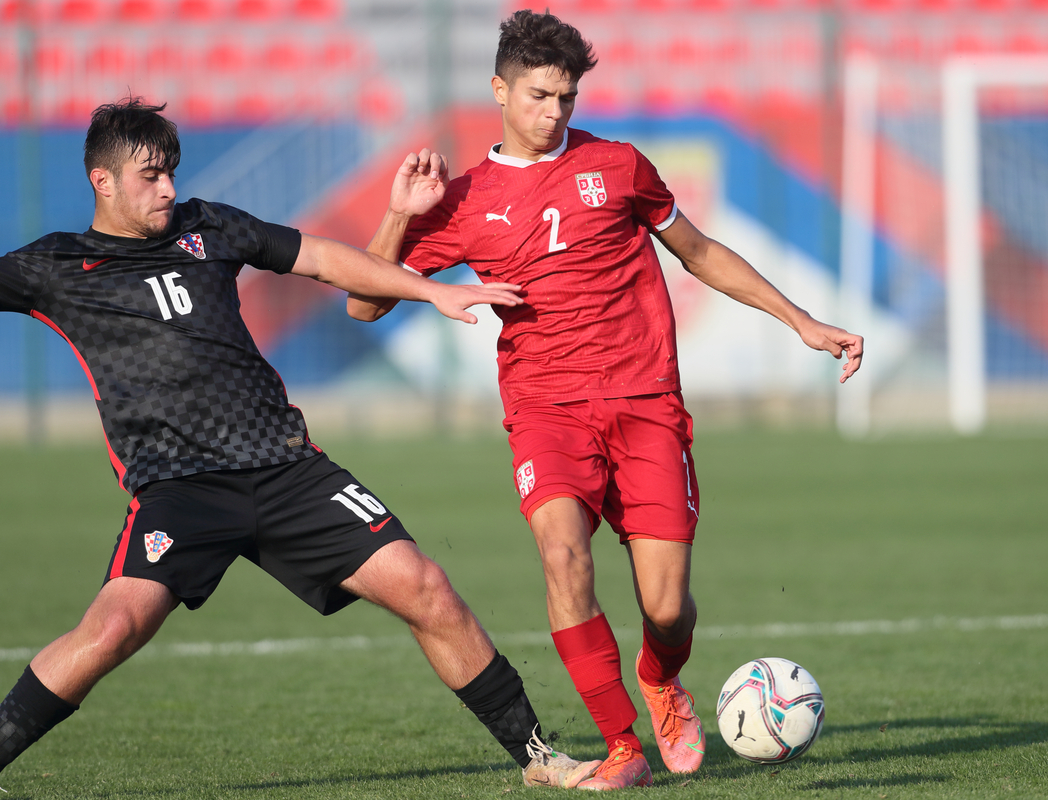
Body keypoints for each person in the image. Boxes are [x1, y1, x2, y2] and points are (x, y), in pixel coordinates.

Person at [0, 98, 604, 792]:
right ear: (101, 182)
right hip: (181, 489)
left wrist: (425, 291)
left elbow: (320, 257)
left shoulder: (209, 225)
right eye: (148, 176)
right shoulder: (56, 265)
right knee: (111, 631)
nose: (167, 188)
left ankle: (537, 757)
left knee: (426, 587)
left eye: (170, 171)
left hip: (287, 468)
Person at [348, 10, 864, 790]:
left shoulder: (620, 165)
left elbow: (699, 252)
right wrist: (398, 213)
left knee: (667, 610)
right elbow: (363, 303)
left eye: (566, 97)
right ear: (499, 89)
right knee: (562, 555)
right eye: (538, 95)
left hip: (646, 401)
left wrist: (800, 320)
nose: (554, 112)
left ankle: (662, 680)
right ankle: (623, 748)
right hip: (546, 411)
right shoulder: (462, 199)